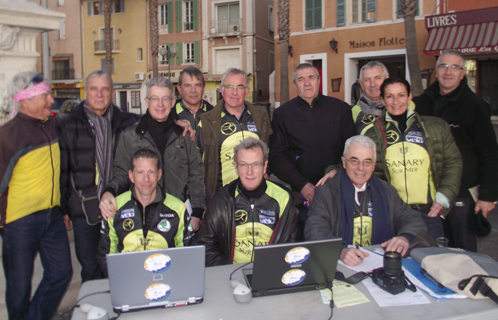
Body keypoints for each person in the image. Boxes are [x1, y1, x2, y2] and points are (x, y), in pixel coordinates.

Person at [0, 72, 72, 319]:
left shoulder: (52, 124)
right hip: (19, 222)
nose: (51, 101)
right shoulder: (8, 135)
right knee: (19, 290)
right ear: (25, 101)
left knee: (61, 273)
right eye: (45, 96)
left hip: (51, 216)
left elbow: (82, 122)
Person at [58, 70, 139, 282]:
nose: (99, 94)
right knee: (91, 269)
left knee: (123, 267)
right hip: (84, 212)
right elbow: (63, 171)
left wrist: (180, 122)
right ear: (86, 91)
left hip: (121, 207)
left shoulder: (129, 122)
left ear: (112, 93)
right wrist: (64, 210)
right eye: (94, 89)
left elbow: (159, 122)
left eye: (105, 89)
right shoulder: (68, 125)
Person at [413, 49, 498, 251]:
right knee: (432, 247)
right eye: (443, 66)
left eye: (455, 67)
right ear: (436, 70)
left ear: (463, 73)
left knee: (463, 250)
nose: (448, 71)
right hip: (429, 192)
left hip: (462, 194)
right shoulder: (420, 103)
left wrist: (487, 196)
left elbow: (490, 153)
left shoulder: (475, 106)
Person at [100, 77, 205, 235]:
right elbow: (121, 173)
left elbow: (196, 175)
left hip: (178, 216)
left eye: (165, 99)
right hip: (142, 217)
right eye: (155, 98)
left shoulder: (184, 135)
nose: (160, 104)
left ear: (172, 101)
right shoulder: (129, 136)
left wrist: (197, 211)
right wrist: (109, 192)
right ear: (146, 101)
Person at [362, 77, 462, 239]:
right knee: (394, 262)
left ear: (410, 97)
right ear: (382, 100)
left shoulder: (435, 127)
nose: (396, 101)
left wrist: (444, 196)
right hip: (393, 215)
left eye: (401, 95)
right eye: (389, 96)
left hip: (428, 213)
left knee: (431, 262)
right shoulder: (372, 133)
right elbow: (361, 168)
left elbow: (453, 162)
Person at [304, 135, 427, 266]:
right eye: (354, 160)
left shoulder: (386, 190)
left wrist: (405, 237)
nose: (361, 168)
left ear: (374, 165)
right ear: (344, 162)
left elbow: (413, 219)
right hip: (339, 265)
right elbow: (314, 230)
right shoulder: (326, 192)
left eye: (367, 162)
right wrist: (339, 250)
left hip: (380, 265)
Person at [269, 63, 355, 230]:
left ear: (318, 80)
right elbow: (277, 156)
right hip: (300, 197)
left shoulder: (340, 109)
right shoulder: (282, 114)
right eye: (301, 79)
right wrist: (303, 185)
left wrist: (336, 172)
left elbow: (351, 149)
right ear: (295, 85)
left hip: (338, 191)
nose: (307, 83)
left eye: (311, 78)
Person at [196, 137, 298, 266]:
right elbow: (206, 248)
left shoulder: (284, 198)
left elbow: (292, 245)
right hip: (230, 275)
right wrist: (231, 271)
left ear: (265, 166)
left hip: (271, 273)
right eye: (244, 165)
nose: (250, 172)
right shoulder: (221, 200)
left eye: (256, 164)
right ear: (236, 167)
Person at [97, 149, 186, 276]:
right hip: (126, 279)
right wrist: (119, 279)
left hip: (166, 277)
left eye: (151, 172)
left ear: (159, 175)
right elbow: (105, 255)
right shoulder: (115, 207)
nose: (146, 179)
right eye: (140, 173)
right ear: (131, 176)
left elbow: (186, 255)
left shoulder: (178, 208)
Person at [198, 68, 272, 203]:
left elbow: (270, 149)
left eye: (240, 87)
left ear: (247, 91)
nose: (234, 92)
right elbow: (196, 166)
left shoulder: (260, 116)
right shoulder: (206, 121)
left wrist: (267, 172)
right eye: (229, 87)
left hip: (256, 198)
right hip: (222, 199)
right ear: (221, 89)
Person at [351, 61, 389, 134]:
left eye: (377, 78)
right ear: (361, 84)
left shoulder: (403, 106)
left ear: (387, 80)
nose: (372, 84)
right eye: (367, 80)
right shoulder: (355, 111)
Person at [175, 66, 213, 133]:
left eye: (197, 85)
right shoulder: (169, 115)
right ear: (179, 89)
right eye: (187, 85)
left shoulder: (214, 113)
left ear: (203, 88)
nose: (193, 90)